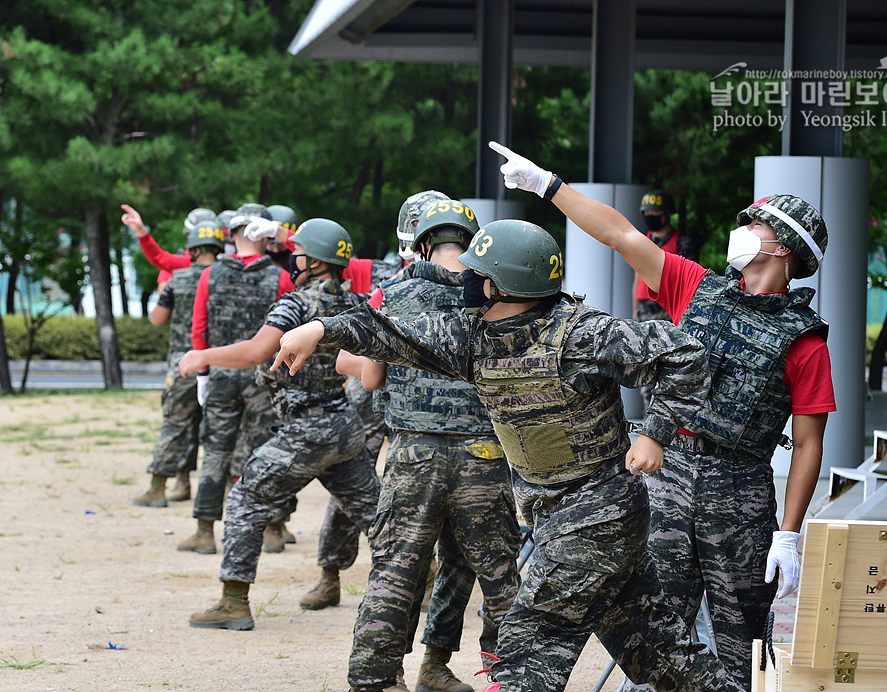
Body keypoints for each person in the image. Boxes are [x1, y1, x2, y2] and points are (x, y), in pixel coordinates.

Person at [271, 219, 743, 692]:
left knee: (524, 651)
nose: (465, 278)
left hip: (599, 516)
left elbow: (683, 355)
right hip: (563, 516)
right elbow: (389, 332)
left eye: (476, 272)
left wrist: (656, 434)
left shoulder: (582, 334)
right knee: (660, 653)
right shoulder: (472, 336)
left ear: (499, 284)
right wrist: (319, 328)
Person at [488, 140, 835, 689]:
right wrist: (547, 185)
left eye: (757, 227)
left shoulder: (804, 343)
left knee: (739, 639)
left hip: (740, 491)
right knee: (661, 634)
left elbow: (809, 444)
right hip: (665, 473)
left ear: (785, 249)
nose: (742, 232)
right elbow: (620, 234)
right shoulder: (697, 288)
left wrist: (788, 535)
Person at [344, 199, 522, 692]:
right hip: (485, 457)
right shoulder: (497, 296)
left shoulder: (390, 293)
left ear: (421, 243)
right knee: (500, 575)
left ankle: (376, 680)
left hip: (411, 456)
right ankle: (511, 678)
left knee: (397, 568)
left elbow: (373, 379)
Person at [178, 218, 381, 631]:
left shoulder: (297, 304)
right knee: (378, 517)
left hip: (307, 430)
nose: (293, 257)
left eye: (299, 251)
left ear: (315, 258)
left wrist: (204, 356)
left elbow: (256, 352)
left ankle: (233, 602)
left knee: (245, 498)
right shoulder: (355, 303)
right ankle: (424, 580)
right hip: (344, 425)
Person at [179, 203, 283, 555]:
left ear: (232, 233)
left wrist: (203, 376)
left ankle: (205, 531)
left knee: (216, 452)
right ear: (265, 234)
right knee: (266, 454)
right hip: (265, 378)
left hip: (221, 375)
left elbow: (199, 329)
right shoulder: (280, 277)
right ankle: (272, 529)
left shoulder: (210, 275)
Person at [132, 219, 225, 508]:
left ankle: (159, 487)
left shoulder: (178, 279)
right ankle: (222, 492)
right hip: (223, 361)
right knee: (221, 428)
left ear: (192, 249)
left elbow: (157, 320)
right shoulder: (227, 279)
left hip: (184, 363)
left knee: (176, 424)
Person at [633, 190, 697, 323]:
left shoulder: (682, 242)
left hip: (668, 309)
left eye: (654, 212)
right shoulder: (641, 240)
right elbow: (637, 279)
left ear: (666, 214)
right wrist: (634, 313)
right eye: (646, 213)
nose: (649, 215)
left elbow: (689, 282)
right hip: (643, 310)